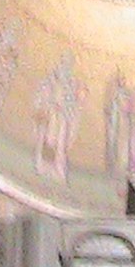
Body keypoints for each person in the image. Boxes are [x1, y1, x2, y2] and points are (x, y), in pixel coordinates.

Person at [33, 53, 86, 181]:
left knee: (60, 144)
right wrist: (48, 104)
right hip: (51, 114)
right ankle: (42, 166)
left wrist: (79, 98)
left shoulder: (72, 83)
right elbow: (43, 92)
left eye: (68, 63)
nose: (66, 65)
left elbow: (73, 101)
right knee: (47, 140)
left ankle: (58, 170)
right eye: (64, 62)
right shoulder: (52, 78)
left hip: (63, 116)